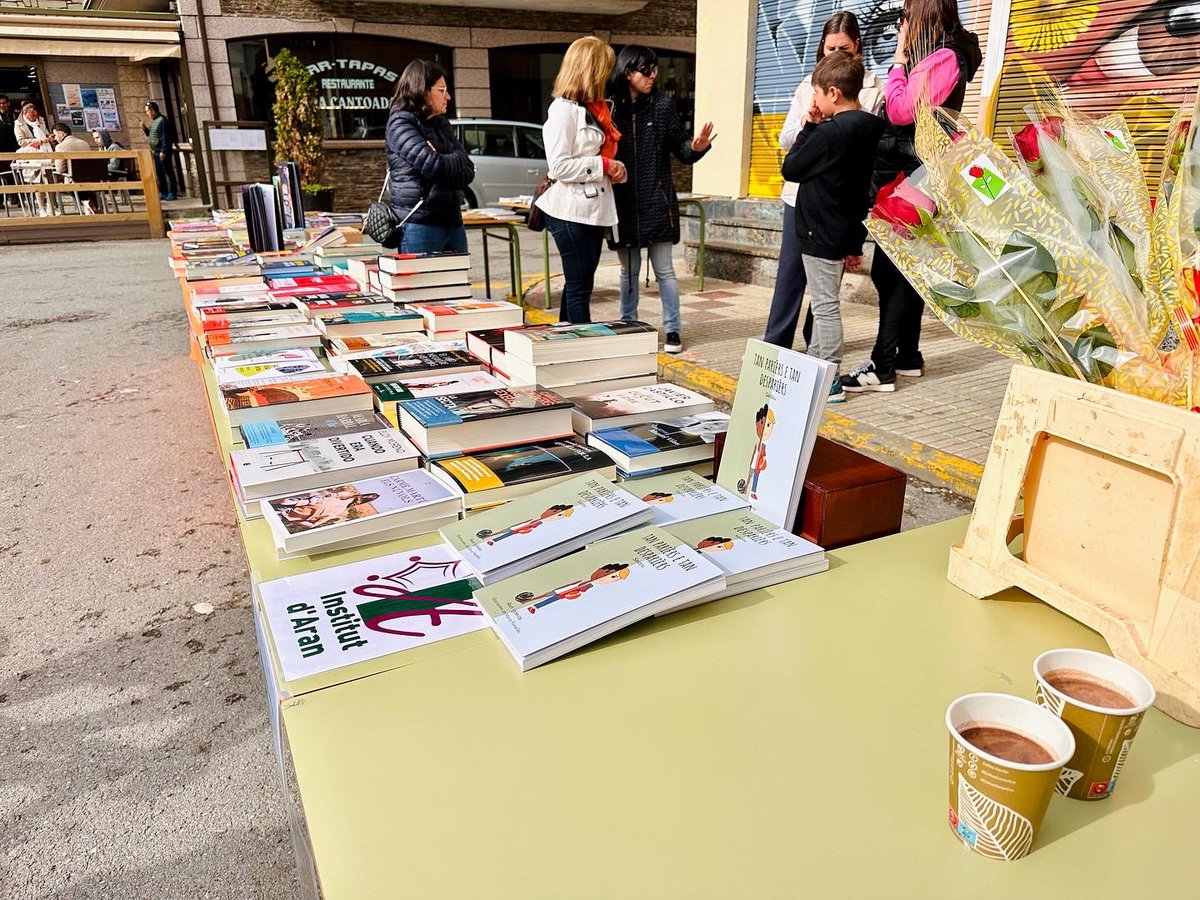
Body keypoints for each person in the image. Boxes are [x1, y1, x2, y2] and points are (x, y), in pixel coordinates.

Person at [841, 0, 980, 394]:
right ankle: (907, 356)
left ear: (924, 15)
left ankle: (882, 366)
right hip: (912, 174)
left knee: (892, 271)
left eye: (906, 15)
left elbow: (902, 111)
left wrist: (900, 58)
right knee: (901, 270)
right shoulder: (940, 55)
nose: (901, 22)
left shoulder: (945, 57)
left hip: (916, 177)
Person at [763, 11, 884, 353]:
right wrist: (807, 122)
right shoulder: (809, 85)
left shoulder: (874, 90)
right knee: (795, 281)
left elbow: (796, 164)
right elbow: (787, 138)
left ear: (857, 46)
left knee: (825, 299)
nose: (835, 54)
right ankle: (779, 348)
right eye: (829, 47)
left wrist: (817, 131)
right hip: (804, 202)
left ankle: (820, 362)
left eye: (842, 47)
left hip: (837, 206)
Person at [780, 51, 885, 403]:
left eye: (817, 93)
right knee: (826, 302)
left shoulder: (829, 133)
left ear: (834, 93)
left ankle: (830, 376)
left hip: (818, 230)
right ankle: (818, 367)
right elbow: (863, 191)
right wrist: (856, 244)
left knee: (824, 305)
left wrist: (809, 127)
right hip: (845, 228)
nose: (815, 101)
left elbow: (791, 168)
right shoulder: (872, 127)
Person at [607, 45, 715, 354]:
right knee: (628, 270)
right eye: (647, 70)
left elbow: (682, 150)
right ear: (628, 72)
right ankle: (628, 324)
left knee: (665, 270)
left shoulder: (662, 107)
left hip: (659, 203)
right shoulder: (611, 108)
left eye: (655, 69)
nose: (653, 75)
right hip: (623, 203)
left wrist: (696, 147)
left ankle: (672, 330)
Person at [535, 36, 627, 325]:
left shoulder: (595, 108)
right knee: (579, 288)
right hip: (569, 212)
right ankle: (582, 350)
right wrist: (603, 164)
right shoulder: (562, 111)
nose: (608, 75)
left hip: (591, 211)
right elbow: (560, 166)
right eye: (605, 68)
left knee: (580, 285)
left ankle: (566, 343)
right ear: (592, 69)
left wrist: (613, 168)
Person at [385, 59, 475, 254]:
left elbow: (468, 170)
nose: (448, 97)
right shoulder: (401, 124)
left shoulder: (441, 124)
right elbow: (435, 166)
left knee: (458, 283)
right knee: (424, 284)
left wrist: (444, 159)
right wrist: (447, 160)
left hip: (453, 222)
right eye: (441, 90)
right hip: (420, 225)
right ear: (423, 91)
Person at [13, 102, 52, 216]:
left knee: (49, 179)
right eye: (32, 112)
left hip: (46, 152)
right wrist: (38, 141)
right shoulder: (19, 124)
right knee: (37, 180)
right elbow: (21, 141)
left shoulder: (41, 121)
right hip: (32, 156)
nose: (35, 114)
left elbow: (46, 134)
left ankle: (51, 206)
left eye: (35, 111)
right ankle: (41, 207)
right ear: (25, 113)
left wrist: (49, 138)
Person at [50, 123, 98, 214]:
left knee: (64, 183)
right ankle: (89, 204)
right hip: (91, 178)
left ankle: (86, 203)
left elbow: (60, 169)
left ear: (61, 133)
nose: (55, 138)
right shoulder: (85, 143)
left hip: (74, 179)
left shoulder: (60, 146)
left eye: (55, 135)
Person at [141, 100, 177, 201]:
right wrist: (145, 129)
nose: (147, 113)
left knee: (168, 172)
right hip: (156, 151)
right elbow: (152, 135)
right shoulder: (154, 121)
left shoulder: (162, 121)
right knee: (160, 173)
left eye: (147, 111)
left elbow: (165, 137)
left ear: (152, 110)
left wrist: (164, 151)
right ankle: (163, 192)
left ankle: (172, 192)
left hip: (162, 151)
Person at [0, 95, 18, 209]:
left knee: (14, 175)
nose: (2, 105)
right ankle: (0, 201)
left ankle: (16, 198)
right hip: (0, 150)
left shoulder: (15, 116)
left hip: (14, 149)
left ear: (8, 103)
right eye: (0, 103)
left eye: (3, 103)